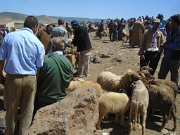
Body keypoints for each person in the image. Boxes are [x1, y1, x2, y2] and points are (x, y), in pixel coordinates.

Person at [0, 16, 45, 135]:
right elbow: (39, 66)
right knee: (27, 111)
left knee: (11, 110)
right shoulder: (38, 43)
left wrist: (1, 73)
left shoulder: (10, 36)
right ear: (35, 27)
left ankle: (9, 132)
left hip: (13, 78)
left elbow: (1, 58)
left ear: (24, 24)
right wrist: (35, 80)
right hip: (30, 78)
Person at [34, 36, 73, 112]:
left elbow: (37, 81)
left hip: (44, 100)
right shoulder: (68, 62)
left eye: (49, 45)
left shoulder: (45, 62)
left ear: (53, 47)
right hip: (61, 98)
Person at [158, 14, 180, 87]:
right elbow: (168, 41)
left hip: (175, 58)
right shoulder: (171, 30)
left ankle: (173, 93)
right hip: (167, 56)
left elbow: (178, 46)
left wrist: (166, 46)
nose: (169, 23)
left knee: (174, 78)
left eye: (171, 21)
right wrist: (164, 44)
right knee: (161, 75)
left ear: (176, 23)